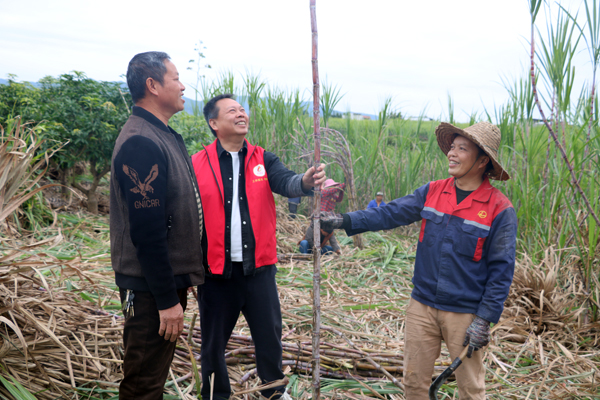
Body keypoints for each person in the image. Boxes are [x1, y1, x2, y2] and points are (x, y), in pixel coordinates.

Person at [321, 122, 517, 400]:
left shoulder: (499, 209)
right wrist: (345, 220)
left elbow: (501, 271)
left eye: (462, 149)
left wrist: (484, 320)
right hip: (421, 306)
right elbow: (390, 213)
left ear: (483, 160)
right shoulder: (433, 191)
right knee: (414, 384)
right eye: (452, 147)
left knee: (471, 389)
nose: (452, 153)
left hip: (464, 315)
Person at [191, 94, 325, 400]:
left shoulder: (263, 159)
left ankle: (273, 392)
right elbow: (185, 217)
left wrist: (305, 181)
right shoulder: (196, 164)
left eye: (242, 109)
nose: (241, 114)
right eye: (232, 111)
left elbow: (287, 182)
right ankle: (215, 395)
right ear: (214, 123)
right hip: (214, 273)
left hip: (259, 270)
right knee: (212, 344)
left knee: (269, 338)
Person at [110, 52, 205, 399]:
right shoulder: (141, 141)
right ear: (152, 85)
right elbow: (148, 232)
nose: (183, 85)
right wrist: (167, 299)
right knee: (143, 384)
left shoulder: (160, 134)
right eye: (176, 78)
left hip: (160, 283)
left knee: (151, 378)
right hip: (150, 289)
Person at [299, 179, 345, 255]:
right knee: (304, 242)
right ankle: (306, 255)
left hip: (328, 218)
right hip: (319, 217)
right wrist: (340, 186)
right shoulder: (323, 192)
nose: (333, 188)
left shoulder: (329, 230)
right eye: (332, 187)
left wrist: (341, 190)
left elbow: (339, 199)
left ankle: (317, 254)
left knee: (330, 249)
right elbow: (308, 238)